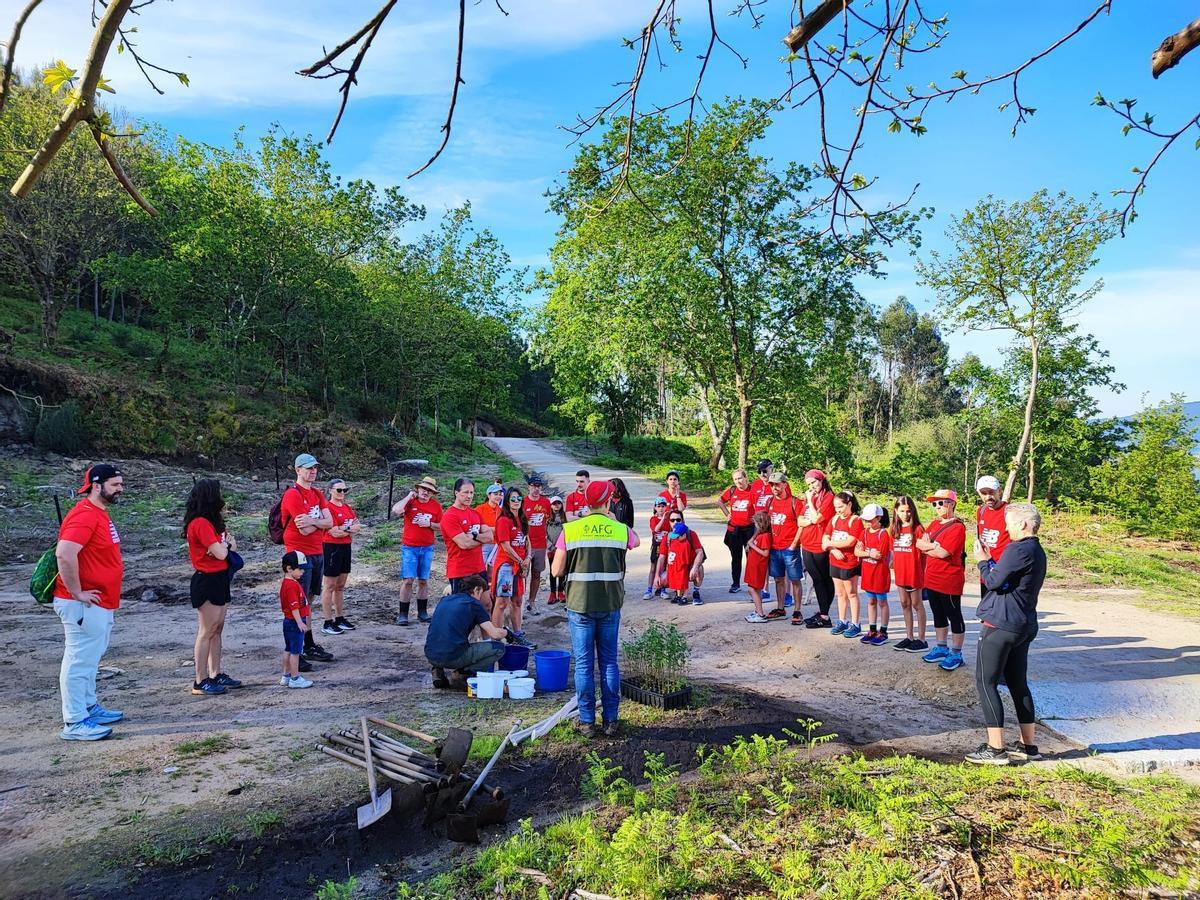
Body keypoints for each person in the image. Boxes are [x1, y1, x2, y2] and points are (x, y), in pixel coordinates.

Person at [551, 479, 640, 737]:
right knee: (609, 663)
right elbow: (635, 543)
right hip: (610, 603)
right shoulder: (620, 530)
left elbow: (556, 570)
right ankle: (611, 720)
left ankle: (587, 721)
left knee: (584, 665)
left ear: (587, 502)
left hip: (579, 605)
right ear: (608, 501)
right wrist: (613, 520)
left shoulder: (571, 530)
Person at [965, 503, 1047, 766]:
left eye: (1009, 523)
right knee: (1017, 683)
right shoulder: (1037, 550)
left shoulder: (1017, 548)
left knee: (985, 682)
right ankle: (1028, 745)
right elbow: (1005, 577)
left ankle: (995, 748)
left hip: (1001, 625)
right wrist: (991, 562)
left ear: (1023, 524)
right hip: (1024, 624)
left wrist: (982, 561)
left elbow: (993, 582)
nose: (1006, 527)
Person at [52, 464, 126, 741]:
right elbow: (65, 554)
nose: (120, 489)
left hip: (99, 600)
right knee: (79, 659)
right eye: (115, 484)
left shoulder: (99, 514)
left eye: (120, 484)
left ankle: (88, 707)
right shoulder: (84, 516)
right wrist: (77, 592)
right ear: (97, 485)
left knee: (91, 657)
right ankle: (74, 721)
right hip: (83, 603)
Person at [183, 478, 241, 696]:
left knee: (217, 628)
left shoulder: (213, 522)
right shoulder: (200, 523)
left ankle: (215, 673)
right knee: (206, 630)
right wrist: (223, 545)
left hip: (220, 577)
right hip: (206, 579)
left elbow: (230, 545)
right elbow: (223, 552)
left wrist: (223, 545)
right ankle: (200, 680)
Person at [279, 453, 334, 664]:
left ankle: (307, 644)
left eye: (315, 468)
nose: (313, 471)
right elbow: (303, 529)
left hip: (317, 551)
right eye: (308, 468)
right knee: (297, 603)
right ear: (298, 470)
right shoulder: (293, 495)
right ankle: (296, 649)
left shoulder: (317, 493)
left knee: (308, 601)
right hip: (299, 554)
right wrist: (318, 520)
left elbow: (329, 522)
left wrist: (315, 521)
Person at [425, 575, 511, 689]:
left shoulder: (445, 600)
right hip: (452, 656)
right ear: (476, 589)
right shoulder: (474, 604)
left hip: (430, 654)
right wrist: (508, 633)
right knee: (499, 649)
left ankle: (437, 671)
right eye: (482, 592)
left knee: (444, 638)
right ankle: (461, 673)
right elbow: (494, 634)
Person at [916, 488, 968, 671]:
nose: (937, 506)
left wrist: (929, 546)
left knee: (954, 615)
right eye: (934, 503)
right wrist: (931, 546)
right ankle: (941, 646)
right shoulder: (934, 524)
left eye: (941, 502)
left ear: (952, 503)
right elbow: (919, 544)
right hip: (932, 578)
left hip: (949, 579)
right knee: (938, 614)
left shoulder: (957, 527)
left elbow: (943, 552)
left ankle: (956, 652)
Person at [392, 476, 443, 626]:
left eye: (429, 490)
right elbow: (396, 510)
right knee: (408, 580)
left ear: (433, 493)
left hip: (427, 547)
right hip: (410, 547)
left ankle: (422, 612)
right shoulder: (410, 502)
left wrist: (429, 524)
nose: (426, 492)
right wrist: (409, 496)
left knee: (423, 580)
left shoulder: (436, 506)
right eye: (423, 489)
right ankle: (403, 614)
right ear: (418, 489)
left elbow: (442, 525)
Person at [492, 487, 536, 649]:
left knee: (517, 600)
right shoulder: (503, 520)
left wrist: (528, 558)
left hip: (519, 565)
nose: (516, 502)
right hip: (506, 566)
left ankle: (518, 635)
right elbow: (505, 545)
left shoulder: (523, 519)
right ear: (507, 501)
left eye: (519, 499)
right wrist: (520, 561)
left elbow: (527, 540)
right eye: (513, 499)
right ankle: (495, 637)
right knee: (502, 602)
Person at [321, 478, 363, 635]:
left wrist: (346, 528)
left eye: (345, 490)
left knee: (340, 585)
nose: (342, 493)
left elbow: (358, 525)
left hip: (346, 546)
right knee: (329, 585)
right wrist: (349, 528)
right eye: (339, 490)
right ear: (330, 490)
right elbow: (333, 532)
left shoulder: (347, 507)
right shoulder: (327, 507)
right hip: (331, 547)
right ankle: (327, 621)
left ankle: (339, 617)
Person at [441, 477, 495, 594]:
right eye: (465, 492)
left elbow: (490, 536)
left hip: (479, 568)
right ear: (456, 493)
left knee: (486, 604)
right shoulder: (449, 516)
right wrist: (481, 538)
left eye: (471, 492)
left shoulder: (475, 514)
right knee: (463, 608)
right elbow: (464, 544)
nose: (469, 496)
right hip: (460, 571)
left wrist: (474, 536)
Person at [890, 496, 928, 653]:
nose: (905, 514)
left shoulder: (918, 529)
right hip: (900, 573)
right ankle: (909, 637)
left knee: (916, 604)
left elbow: (924, 552)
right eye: (902, 511)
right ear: (896, 511)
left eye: (908, 511)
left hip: (914, 573)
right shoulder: (894, 530)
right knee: (904, 604)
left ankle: (922, 639)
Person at [799, 470, 836, 629]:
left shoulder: (829, 498)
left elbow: (817, 518)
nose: (811, 487)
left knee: (823, 579)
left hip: (820, 544)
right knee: (816, 578)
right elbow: (800, 520)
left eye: (813, 482)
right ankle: (823, 613)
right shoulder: (812, 498)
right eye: (808, 484)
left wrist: (809, 501)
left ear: (821, 480)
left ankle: (824, 615)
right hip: (806, 542)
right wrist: (809, 521)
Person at [825, 491, 864, 638]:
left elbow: (851, 541)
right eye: (835, 507)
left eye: (840, 507)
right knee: (840, 593)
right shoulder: (834, 519)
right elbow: (825, 540)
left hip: (849, 562)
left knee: (851, 593)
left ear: (849, 504)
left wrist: (831, 544)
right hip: (835, 560)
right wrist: (833, 549)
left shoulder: (855, 520)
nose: (838, 510)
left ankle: (855, 623)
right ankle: (842, 620)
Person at [766, 473, 804, 614]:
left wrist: (794, 544)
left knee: (795, 580)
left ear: (784, 484)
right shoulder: (770, 502)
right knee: (778, 579)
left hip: (790, 548)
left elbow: (802, 525)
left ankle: (797, 610)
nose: (774, 487)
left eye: (777, 484)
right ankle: (780, 608)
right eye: (771, 484)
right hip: (774, 548)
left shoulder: (795, 502)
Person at [855, 503, 893, 646]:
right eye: (865, 520)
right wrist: (868, 553)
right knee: (871, 601)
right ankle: (872, 629)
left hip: (880, 574)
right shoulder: (864, 533)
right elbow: (857, 552)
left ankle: (883, 631)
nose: (867, 523)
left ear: (878, 518)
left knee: (882, 602)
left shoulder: (883, 534)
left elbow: (879, 555)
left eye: (870, 520)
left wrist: (866, 553)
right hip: (868, 573)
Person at [279, 551, 314, 689]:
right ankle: (295, 678)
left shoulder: (287, 583)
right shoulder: (292, 585)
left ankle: (286, 676)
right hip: (294, 622)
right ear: (289, 568)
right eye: (300, 569)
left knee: (288, 649)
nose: (303, 572)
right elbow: (294, 607)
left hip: (288, 621)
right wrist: (300, 622)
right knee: (295, 651)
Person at [655, 512, 706, 605]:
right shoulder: (668, 537)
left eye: (678, 520)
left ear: (683, 521)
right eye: (672, 520)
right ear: (669, 522)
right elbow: (662, 557)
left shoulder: (691, 535)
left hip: (687, 566)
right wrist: (657, 575)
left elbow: (700, 552)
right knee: (662, 579)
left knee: (698, 569)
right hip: (674, 567)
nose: (675, 522)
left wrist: (694, 567)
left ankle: (695, 591)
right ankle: (678, 593)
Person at [719, 469, 756, 594]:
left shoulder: (752, 490)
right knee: (736, 558)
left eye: (740, 478)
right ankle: (735, 583)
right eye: (735, 479)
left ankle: (752, 584)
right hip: (735, 529)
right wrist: (727, 514)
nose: (738, 481)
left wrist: (756, 518)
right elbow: (720, 501)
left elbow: (760, 506)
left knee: (751, 558)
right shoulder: (732, 490)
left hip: (749, 529)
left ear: (746, 478)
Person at [522, 475, 553, 614]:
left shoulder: (546, 502)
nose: (536, 489)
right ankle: (520, 602)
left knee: (536, 574)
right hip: (525, 544)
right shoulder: (522, 502)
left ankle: (532, 602)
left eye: (538, 486)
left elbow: (549, 520)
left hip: (540, 543)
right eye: (533, 486)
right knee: (522, 574)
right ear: (528, 486)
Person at [743, 511, 782, 623]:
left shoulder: (765, 536)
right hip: (753, 565)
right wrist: (752, 539)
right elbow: (750, 542)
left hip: (758, 566)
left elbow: (765, 553)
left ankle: (760, 613)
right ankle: (757, 611)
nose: (754, 525)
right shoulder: (760, 534)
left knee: (752, 589)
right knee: (756, 589)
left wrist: (752, 546)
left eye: (756, 523)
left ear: (760, 524)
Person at [975, 474, 1010, 576]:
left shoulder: (1009, 511)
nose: (988, 497)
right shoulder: (981, 511)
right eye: (983, 493)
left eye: (991, 492)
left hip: (1003, 568)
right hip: (985, 567)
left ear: (999, 490)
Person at [474, 483, 505, 569]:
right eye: (495, 494)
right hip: (483, 543)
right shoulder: (480, 509)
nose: (498, 496)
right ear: (489, 495)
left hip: (496, 545)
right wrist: (492, 529)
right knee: (480, 568)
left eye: (500, 494)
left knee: (493, 570)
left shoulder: (502, 511)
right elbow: (474, 526)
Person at [545, 497, 567, 604]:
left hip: (562, 548)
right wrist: (550, 546)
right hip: (551, 548)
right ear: (550, 505)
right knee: (553, 570)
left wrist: (561, 547)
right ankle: (552, 593)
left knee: (562, 569)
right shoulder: (547, 518)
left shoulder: (565, 517)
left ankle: (561, 591)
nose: (556, 505)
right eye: (554, 504)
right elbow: (544, 533)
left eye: (559, 503)